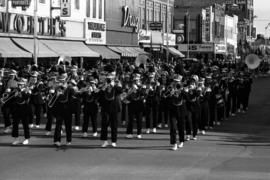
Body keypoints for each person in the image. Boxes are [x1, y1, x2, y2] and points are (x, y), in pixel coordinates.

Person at [11, 78, 31, 145]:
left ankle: (26, 139)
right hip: (16, 110)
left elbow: (27, 100)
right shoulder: (15, 91)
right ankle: (16, 139)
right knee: (15, 125)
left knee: (25, 125)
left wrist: (24, 92)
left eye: (21, 85)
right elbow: (12, 100)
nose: (20, 86)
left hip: (25, 110)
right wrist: (14, 95)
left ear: (24, 85)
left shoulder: (27, 91)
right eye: (19, 84)